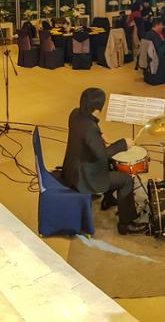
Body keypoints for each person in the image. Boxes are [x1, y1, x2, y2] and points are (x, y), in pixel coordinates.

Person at [61, 88, 146, 235]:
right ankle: (126, 224)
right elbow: (102, 155)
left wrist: (100, 134)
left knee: (112, 164)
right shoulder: (90, 129)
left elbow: (88, 132)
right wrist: (123, 144)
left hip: (71, 169)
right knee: (126, 180)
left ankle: (108, 199)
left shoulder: (75, 113)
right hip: (84, 178)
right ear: (98, 108)